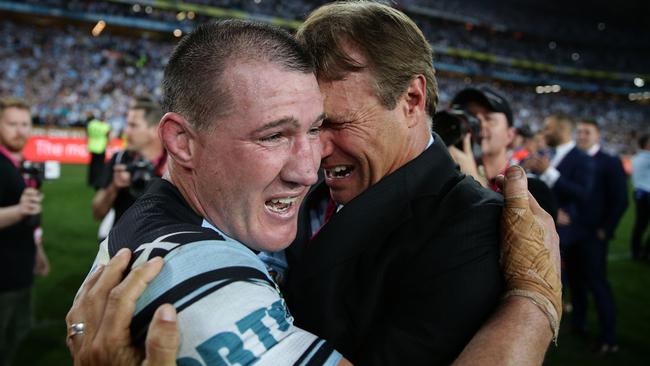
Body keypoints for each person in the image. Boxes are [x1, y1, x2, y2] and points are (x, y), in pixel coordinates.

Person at [68, 6, 560, 365]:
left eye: (333, 123)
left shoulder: (473, 229)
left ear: (412, 98)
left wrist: (533, 304)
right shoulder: (301, 187)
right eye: (297, 128)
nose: (311, 156)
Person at [449, 86, 557, 219]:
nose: (478, 125)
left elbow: (529, 237)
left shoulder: (531, 189)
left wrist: (472, 182)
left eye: (489, 119)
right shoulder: (447, 177)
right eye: (470, 117)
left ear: (510, 135)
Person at [0, 97, 49, 366]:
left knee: (18, 336)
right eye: (11, 124)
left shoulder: (19, 164)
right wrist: (18, 211)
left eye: (25, 123)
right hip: (3, 277)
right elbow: (22, 211)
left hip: (19, 267)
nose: (19, 130)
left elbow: (29, 217)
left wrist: (37, 249)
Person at [574, 119, 627, 353]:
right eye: (579, 132)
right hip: (572, 233)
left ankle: (609, 338)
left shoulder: (610, 162)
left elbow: (620, 200)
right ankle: (578, 323)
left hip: (594, 235)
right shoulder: (573, 159)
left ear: (597, 135)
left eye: (587, 132)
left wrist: (606, 229)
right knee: (575, 282)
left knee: (597, 284)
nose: (582, 135)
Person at [91, 97, 166, 227]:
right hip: (121, 245)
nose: (126, 131)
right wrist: (114, 187)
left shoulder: (174, 165)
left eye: (133, 125)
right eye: (127, 124)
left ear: (155, 130)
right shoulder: (119, 159)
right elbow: (97, 213)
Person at [631, 134, 650, 261]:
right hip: (646, 194)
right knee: (640, 225)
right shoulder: (646, 158)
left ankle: (637, 252)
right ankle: (644, 252)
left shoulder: (637, 157)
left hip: (639, 193)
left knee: (640, 225)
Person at [86, 115, 111, 190]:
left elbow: (88, 133)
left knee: (92, 165)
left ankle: (90, 181)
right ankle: (98, 182)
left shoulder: (92, 124)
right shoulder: (106, 126)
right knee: (100, 166)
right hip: (100, 147)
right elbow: (108, 136)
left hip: (92, 146)